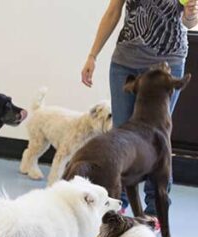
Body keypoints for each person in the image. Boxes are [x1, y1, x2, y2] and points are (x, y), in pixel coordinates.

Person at [81, 0, 198, 217]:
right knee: (120, 137)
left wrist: (191, 14)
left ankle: (156, 208)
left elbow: (189, 22)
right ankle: (117, 201)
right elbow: (113, 11)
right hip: (125, 63)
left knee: (157, 138)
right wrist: (92, 55)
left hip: (168, 63)